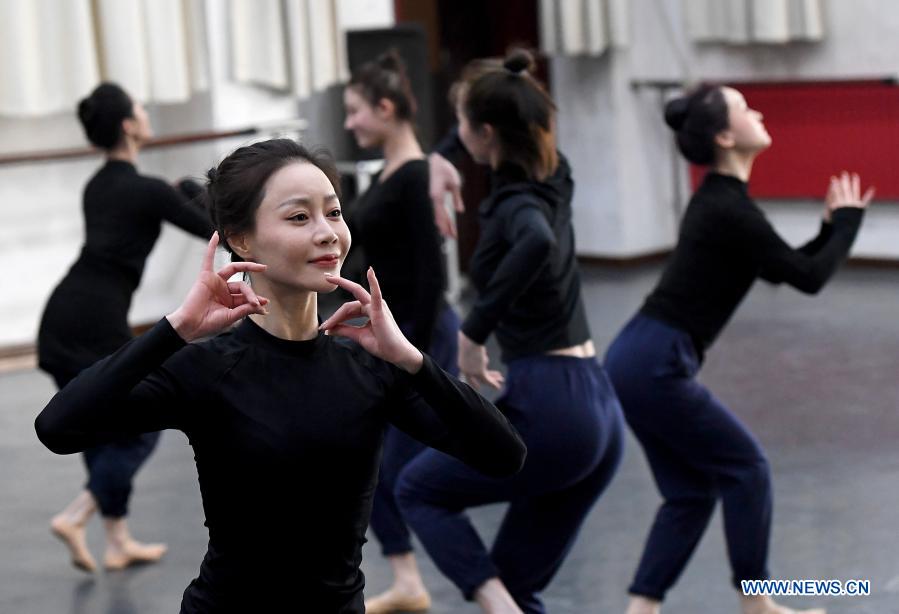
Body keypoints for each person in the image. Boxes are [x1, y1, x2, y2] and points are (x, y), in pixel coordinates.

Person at [35, 138, 526, 613]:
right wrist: (175, 329)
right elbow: (59, 427)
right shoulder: (207, 369)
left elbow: (503, 455)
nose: (327, 232)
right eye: (299, 217)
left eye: (333, 212)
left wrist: (413, 360)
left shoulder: (371, 369)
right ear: (241, 239)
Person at [604, 84, 872, 614]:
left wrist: (827, 231)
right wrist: (845, 225)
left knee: (690, 493)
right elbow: (810, 277)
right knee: (747, 468)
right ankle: (759, 605)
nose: (759, 111)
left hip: (635, 357)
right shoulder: (729, 210)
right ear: (726, 137)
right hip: (656, 362)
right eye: (746, 109)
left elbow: (783, 268)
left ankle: (641, 609)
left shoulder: (724, 205)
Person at [394, 50, 625, 614]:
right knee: (523, 586)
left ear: (486, 132)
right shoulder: (556, 175)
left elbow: (536, 243)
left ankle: (497, 607)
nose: (455, 134)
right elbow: (501, 129)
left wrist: (473, 335)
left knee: (416, 489)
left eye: (460, 124)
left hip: (551, 401)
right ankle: (508, 604)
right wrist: (444, 155)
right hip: (597, 405)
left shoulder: (518, 205)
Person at [37, 82, 213, 572]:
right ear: (129, 125)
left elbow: (164, 212)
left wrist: (180, 195)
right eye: (139, 106)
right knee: (142, 424)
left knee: (97, 423)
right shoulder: (146, 190)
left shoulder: (99, 185)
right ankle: (77, 515)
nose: (144, 110)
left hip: (61, 319)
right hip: (92, 322)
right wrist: (197, 195)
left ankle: (116, 540)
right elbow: (215, 231)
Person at [343, 50, 459, 613]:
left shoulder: (415, 175)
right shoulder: (393, 172)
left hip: (418, 334)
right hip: (393, 332)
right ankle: (408, 578)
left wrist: (413, 352)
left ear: (386, 109)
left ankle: (455, 577)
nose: (349, 124)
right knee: (372, 460)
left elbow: (431, 274)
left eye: (355, 112)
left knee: (398, 465)